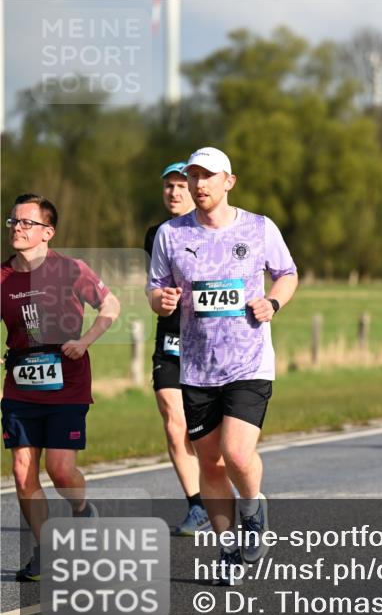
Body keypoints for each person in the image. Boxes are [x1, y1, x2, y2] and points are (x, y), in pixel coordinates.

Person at [147, 147, 298, 585]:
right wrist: (163, 301)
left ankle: (253, 509)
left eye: (208, 176)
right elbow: (155, 289)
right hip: (196, 366)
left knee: (236, 452)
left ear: (228, 181)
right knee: (210, 463)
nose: (199, 184)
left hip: (249, 362)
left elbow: (287, 272)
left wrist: (272, 302)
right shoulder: (170, 235)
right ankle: (228, 547)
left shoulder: (258, 227)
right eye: (193, 176)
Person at [2, 194, 121, 581]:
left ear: (47, 232)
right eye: (13, 222)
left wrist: (85, 341)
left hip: (66, 382)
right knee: (22, 471)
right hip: (20, 384)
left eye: (26, 223)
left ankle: (84, 512)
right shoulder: (2, 277)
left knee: (60, 468)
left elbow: (111, 307)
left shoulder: (71, 269)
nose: (17, 228)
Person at [145, 162, 209, 536]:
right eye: (168, 186)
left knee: (208, 431)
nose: (173, 192)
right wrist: (161, 299)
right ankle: (197, 506)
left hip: (210, 341)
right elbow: (153, 287)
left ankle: (229, 489)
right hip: (170, 338)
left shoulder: (212, 228)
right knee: (174, 423)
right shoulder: (156, 234)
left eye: (180, 185)